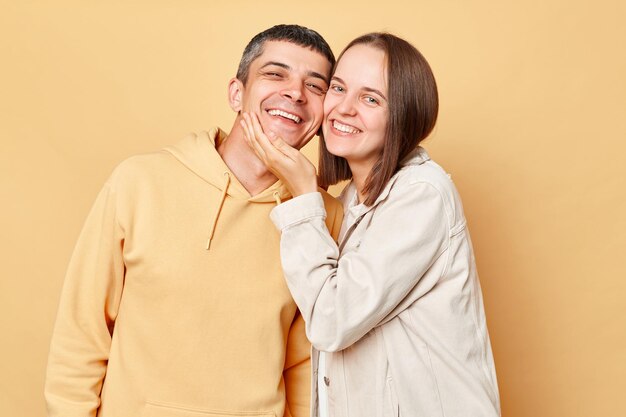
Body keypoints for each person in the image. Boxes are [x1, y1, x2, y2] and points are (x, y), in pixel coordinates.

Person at [45, 24, 343, 417]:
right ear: (237, 93)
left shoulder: (323, 216)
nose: (295, 93)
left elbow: (307, 363)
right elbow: (81, 335)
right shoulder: (139, 182)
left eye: (316, 86)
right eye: (275, 74)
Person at [242, 32, 501, 417]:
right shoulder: (350, 203)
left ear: (403, 115)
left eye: (370, 98)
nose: (344, 109)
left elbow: (332, 320)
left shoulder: (422, 194)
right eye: (338, 88)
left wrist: (301, 192)